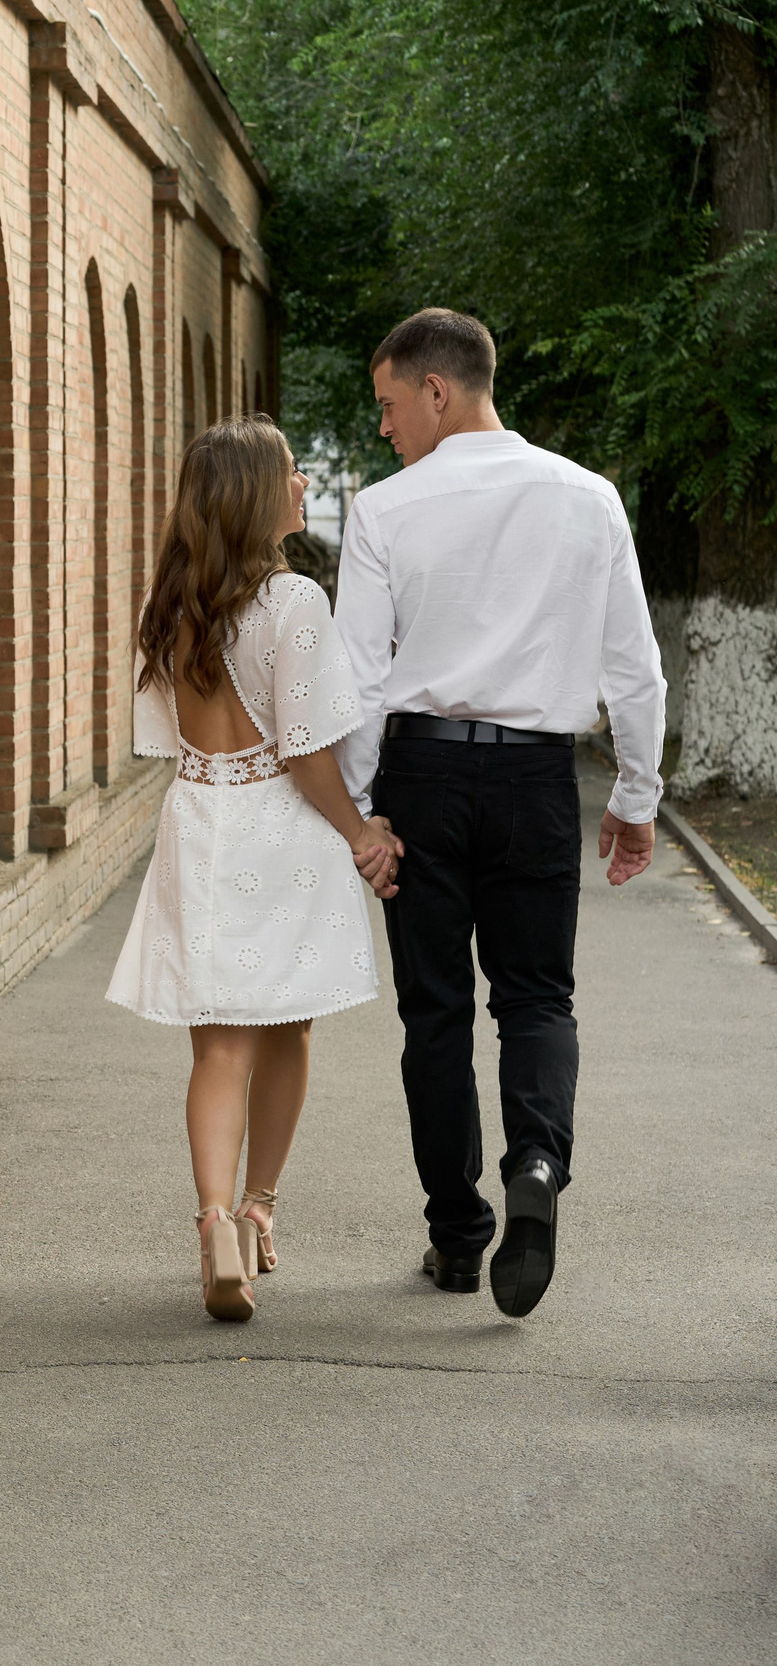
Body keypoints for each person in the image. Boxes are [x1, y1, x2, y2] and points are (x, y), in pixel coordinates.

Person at [335, 308, 667, 1319]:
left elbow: (354, 677)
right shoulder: (588, 498)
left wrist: (361, 816)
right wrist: (635, 796)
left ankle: (457, 1232)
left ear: (438, 389)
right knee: (535, 999)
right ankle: (535, 1163)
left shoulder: (385, 510)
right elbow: (633, 669)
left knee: (432, 1010)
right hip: (534, 783)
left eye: (391, 406)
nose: (385, 429)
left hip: (423, 779)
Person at [107, 416, 403, 1323]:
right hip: (281, 828)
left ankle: (213, 1223)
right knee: (288, 1031)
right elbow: (310, 752)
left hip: (201, 819)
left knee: (218, 1043)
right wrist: (362, 831)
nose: (304, 484)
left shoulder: (173, 603)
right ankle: (258, 1204)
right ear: (252, 492)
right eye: (291, 472)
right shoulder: (293, 603)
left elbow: (169, 739)